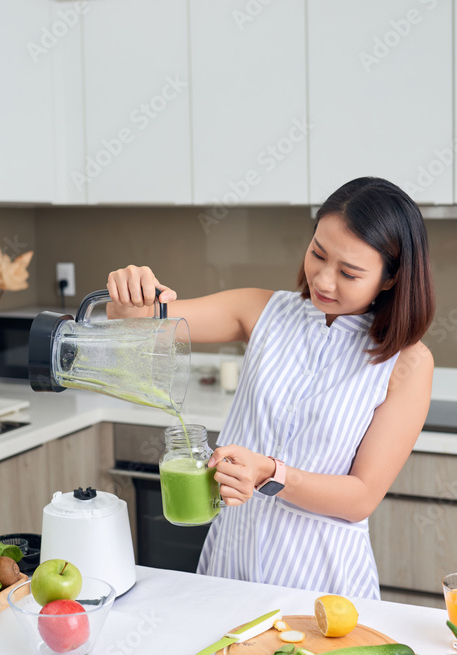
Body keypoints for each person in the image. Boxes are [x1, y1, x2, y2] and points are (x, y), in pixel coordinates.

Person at [105, 176, 435, 600]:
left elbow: (361, 497)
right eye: (318, 253)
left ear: (390, 280)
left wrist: (271, 474)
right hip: (230, 562)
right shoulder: (261, 311)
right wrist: (131, 293)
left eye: (349, 272)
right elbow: (135, 322)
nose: (325, 280)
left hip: (322, 581)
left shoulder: (407, 362)